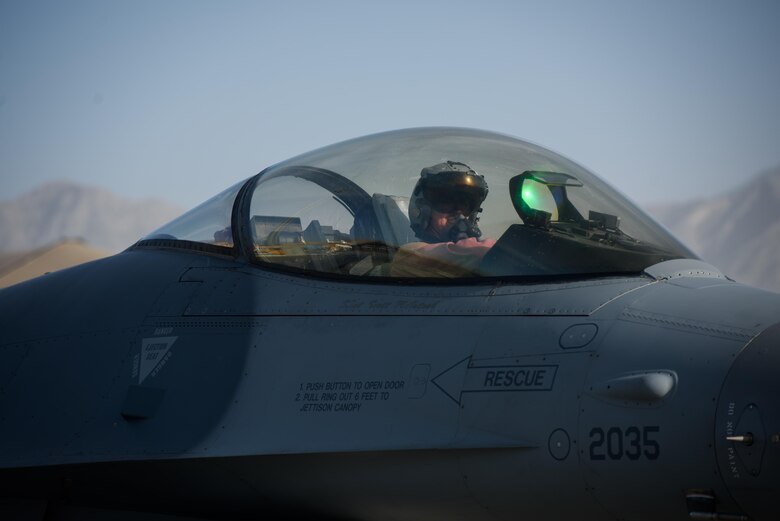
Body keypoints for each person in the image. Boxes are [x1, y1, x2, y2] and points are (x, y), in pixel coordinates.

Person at [390, 161, 496, 278]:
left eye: (465, 205)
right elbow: (478, 251)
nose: (458, 212)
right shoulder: (409, 254)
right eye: (446, 203)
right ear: (424, 210)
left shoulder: (470, 262)